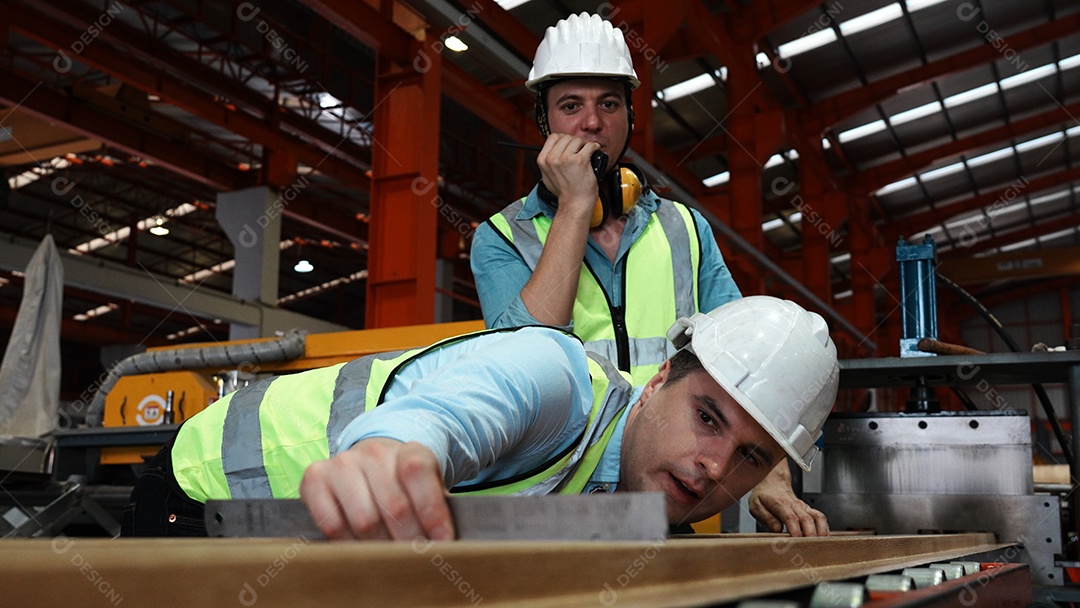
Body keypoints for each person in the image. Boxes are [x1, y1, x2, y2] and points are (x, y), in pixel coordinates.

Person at [469, 12, 821, 535]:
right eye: (571, 106)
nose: (591, 124)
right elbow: (525, 360)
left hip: (674, 496)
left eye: (608, 104)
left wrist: (769, 472)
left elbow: (750, 365)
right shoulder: (500, 237)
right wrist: (573, 206)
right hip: (562, 499)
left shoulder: (685, 228)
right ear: (544, 124)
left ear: (630, 117)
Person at [121, 296, 839, 541]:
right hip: (210, 496)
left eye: (748, 456)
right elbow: (442, 419)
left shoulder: (642, 479)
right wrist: (390, 454)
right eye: (707, 417)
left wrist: (766, 474)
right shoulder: (553, 381)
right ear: (656, 383)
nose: (714, 466)